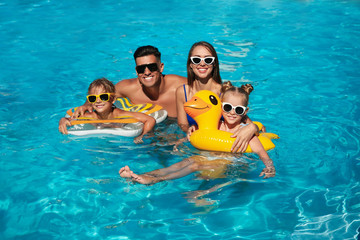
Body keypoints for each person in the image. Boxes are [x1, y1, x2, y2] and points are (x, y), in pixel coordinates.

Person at [119, 83, 276, 184]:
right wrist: (181, 142)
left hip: (226, 164)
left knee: (195, 164)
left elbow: (263, 155)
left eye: (239, 110)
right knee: (184, 162)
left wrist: (269, 167)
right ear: (221, 107)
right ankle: (141, 175)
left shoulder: (245, 134)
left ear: (245, 111)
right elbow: (195, 138)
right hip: (206, 156)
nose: (232, 113)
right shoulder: (216, 126)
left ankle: (153, 180)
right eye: (228, 107)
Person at [176, 41, 260, 152]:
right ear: (190, 64)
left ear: (214, 63)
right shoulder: (182, 92)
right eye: (196, 59)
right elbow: (182, 124)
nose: (202, 64)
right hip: (197, 142)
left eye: (208, 59)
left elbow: (245, 120)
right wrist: (189, 130)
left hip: (219, 144)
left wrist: (253, 127)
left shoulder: (223, 92)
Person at [73, 46, 186, 118]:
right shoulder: (127, 88)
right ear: (136, 71)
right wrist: (85, 105)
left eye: (152, 67)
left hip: (177, 128)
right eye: (141, 69)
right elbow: (101, 96)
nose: (147, 72)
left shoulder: (180, 86)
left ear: (161, 67)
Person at [59, 78, 156, 143]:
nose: (98, 101)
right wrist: (62, 121)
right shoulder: (90, 117)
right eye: (93, 98)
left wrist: (143, 135)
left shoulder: (121, 114)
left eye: (103, 97)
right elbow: (68, 120)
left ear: (113, 99)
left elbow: (150, 120)